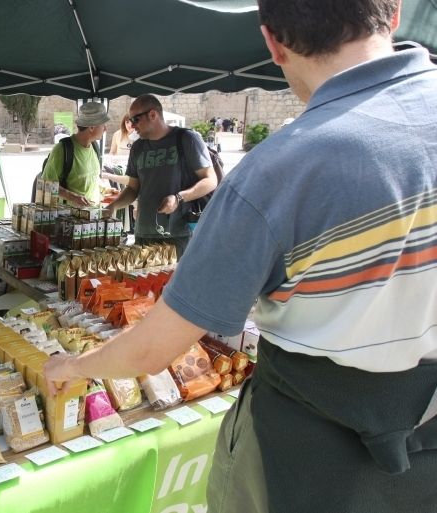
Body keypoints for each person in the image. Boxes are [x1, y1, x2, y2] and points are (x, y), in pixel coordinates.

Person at [45, 2, 437, 512]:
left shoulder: (278, 172)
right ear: (394, 13)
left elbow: (153, 350)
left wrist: (74, 364)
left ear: (272, 42)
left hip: (307, 452)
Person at [103, 94, 216, 256]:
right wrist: (113, 206)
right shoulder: (138, 148)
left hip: (178, 234)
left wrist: (178, 197)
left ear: (153, 115)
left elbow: (211, 180)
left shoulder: (187, 139)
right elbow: (133, 188)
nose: (132, 126)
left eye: (135, 119)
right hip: (143, 234)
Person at [41, 102, 109, 206]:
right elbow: (46, 184)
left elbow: (89, 179)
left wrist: (103, 188)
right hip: (70, 219)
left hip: (93, 217)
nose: (105, 129)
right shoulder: (62, 149)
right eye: (103, 125)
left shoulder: (94, 147)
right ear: (91, 127)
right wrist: (72, 196)